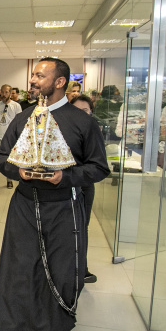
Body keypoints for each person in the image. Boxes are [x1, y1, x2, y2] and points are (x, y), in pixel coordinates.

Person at [0, 58, 109, 331]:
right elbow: (2, 158)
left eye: (39, 75)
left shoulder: (82, 122)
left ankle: (44, 329)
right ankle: (28, 324)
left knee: (55, 269)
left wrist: (65, 177)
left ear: (59, 82)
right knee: (23, 266)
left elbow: (98, 167)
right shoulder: (24, 118)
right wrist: (20, 172)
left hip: (62, 207)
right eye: (34, 74)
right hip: (25, 204)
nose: (33, 79)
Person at [71, 94, 100, 285]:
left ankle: (82, 268)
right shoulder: (60, 130)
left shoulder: (94, 133)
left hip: (84, 186)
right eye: (76, 111)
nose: (81, 115)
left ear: (91, 113)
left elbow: (98, 166)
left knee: (82, 227)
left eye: (85, 111)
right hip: (63, 185)